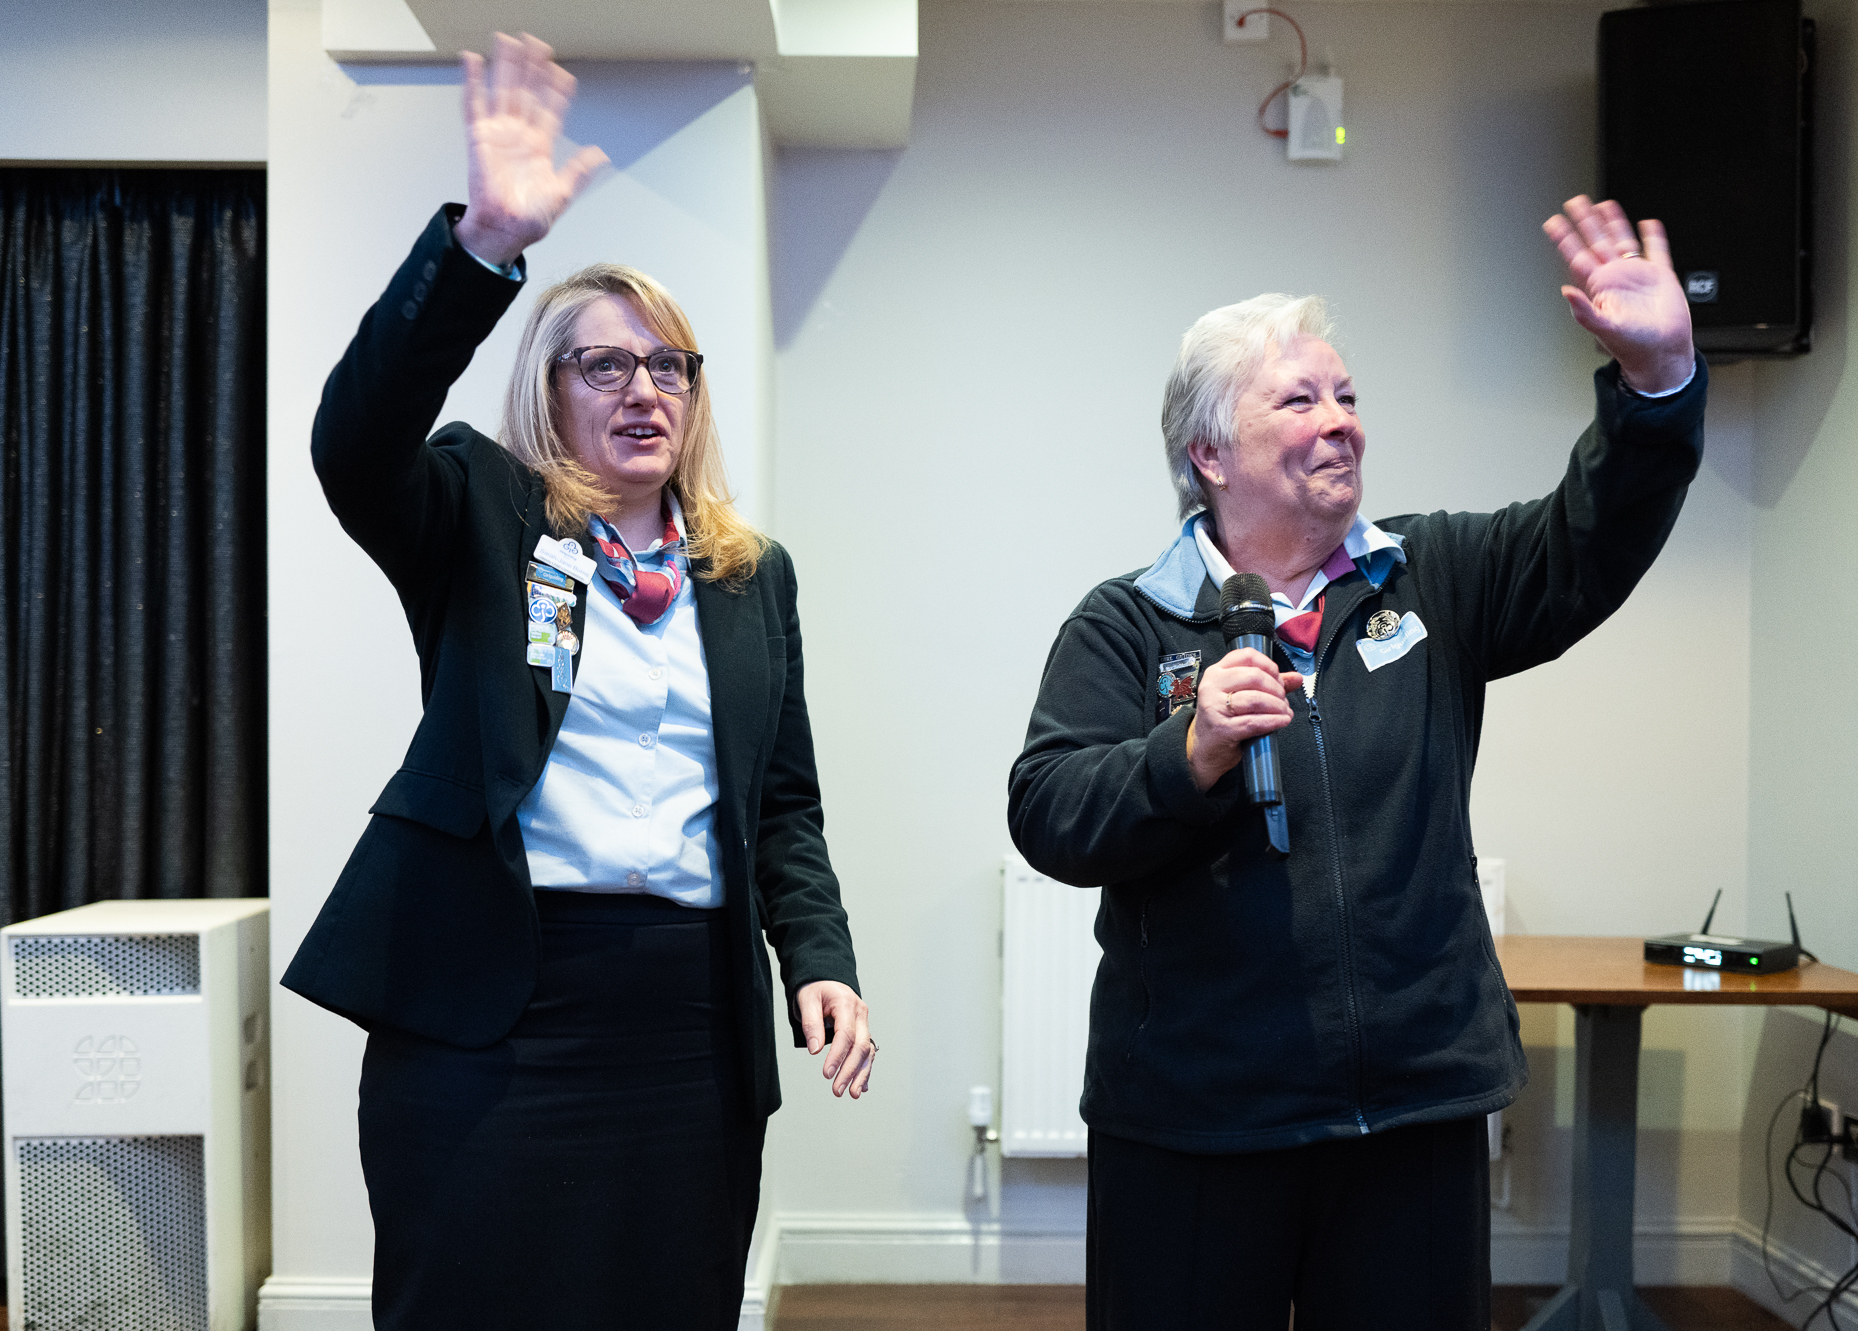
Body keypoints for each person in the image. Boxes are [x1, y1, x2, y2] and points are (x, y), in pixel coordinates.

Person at [1007, 197, 1702, 1330]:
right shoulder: (1127, 623)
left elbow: (1594, 538)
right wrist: (1186, 753)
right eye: (1299, 399)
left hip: (1413, 1114)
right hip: (1194, 1121)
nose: (1340, 422)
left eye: (1347, 396)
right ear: (1208, 453)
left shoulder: (1434, 574)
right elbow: (1048, 809)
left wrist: (1657, 381)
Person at [280, 35, 873, 1331]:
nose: (644, 388)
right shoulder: (481, 513)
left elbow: (783, 806)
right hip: (495, 1005)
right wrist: (481, 246)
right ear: (550, 388)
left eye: (669, 365)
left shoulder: (749, 575)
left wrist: (817, 959)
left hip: (686, 1021)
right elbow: (351, 443)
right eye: (606, 363)